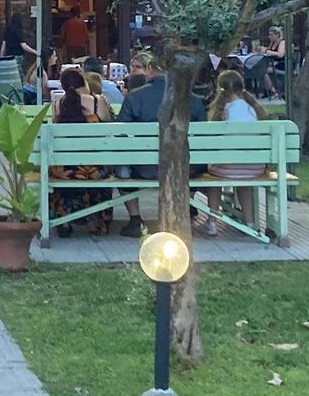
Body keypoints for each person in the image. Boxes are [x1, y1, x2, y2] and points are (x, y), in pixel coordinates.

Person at [115, 52, 207, 237]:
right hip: (187, 168)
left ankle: (135, 218)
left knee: (123, 164)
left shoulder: (134, 97)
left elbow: (121, 134)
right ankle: (186, 205)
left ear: (150, 69)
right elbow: (203, 136)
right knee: (196, 158)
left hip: (144, 167)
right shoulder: (192, 98)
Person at [202, 70, 270, 236]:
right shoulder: (254, 110)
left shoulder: (221, 113)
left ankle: (212, 221)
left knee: (214, 180)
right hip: (255, 167)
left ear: (220, 89)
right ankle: (249, 222)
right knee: (244, 181)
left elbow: (210, 142)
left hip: (226, 167)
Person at [47, 68, 111, 236]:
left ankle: (63, 218)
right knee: (100, 168)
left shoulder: (57, 105)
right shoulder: (97, 102)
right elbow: (109, 127)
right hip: (93, 169)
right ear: (84, 83)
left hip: (63, 169)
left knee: (64, 170)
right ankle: (96, 220)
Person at [257, 26, 287, 96]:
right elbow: (270, 51)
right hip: (272, 64)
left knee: (263, 71)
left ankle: (273, 91)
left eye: (271, 35)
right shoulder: (272, 43)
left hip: (281, 64)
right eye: (269, 35)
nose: (270, 37)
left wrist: (266, 51)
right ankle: (268, 90)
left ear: (277, 35)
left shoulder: (282, 42)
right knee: (259, 69)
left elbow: (280, 54)